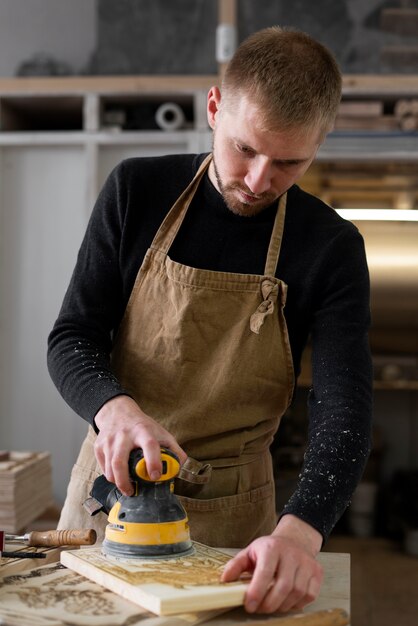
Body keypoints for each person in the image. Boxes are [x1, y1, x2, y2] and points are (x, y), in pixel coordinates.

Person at [48, 26, 372, 614]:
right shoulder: (136, 191)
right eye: (245, 149)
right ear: (214, 107)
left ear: (319, 144)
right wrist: (114, 409)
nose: (258, 182)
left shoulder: (330, 247)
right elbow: (73, 338)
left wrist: (303, 531)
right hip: (110, 506)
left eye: (288, 162)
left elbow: (343, 408)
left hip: (238, 526)